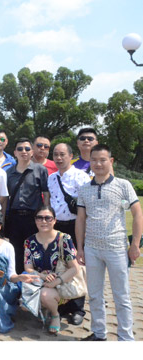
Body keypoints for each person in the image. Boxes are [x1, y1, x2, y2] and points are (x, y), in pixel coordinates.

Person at [76, 144, 142, 341]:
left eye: (102, 160)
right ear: (90, 162)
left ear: (111, 161)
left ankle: (125, 338)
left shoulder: (123, 185)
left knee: (122, 296)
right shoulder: (84, 189)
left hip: (117, 249)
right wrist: (80, 248)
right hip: (91, 248)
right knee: (95, 295)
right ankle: (99, 333)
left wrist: (135, 244)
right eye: (94, 160)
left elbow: (138, 215)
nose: (98, 164)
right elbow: (81, 219)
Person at [48, 143, 90, 325]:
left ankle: (78, 308)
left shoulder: (81, 177)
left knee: (77, 266)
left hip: (75, 226)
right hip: (57, 226)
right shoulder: (51, 178)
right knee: (60, 266)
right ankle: (63, 304)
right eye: (55, 154)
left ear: (71, 156)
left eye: (62, 154)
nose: (58, 158)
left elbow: (87, 205)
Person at [24, 205, 80, 335]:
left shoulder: (64, 239)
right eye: (39, 218)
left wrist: (56, 281)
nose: (43, 221)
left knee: (45, 295)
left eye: (48, 218)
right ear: (35, 220)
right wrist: (43, 277)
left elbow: (74, 268)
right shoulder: (29, 242)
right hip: (40, 281)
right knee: (24, 302)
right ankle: (45, 307)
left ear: (54, 220)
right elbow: (28, 268)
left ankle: (55, 315)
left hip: (62, 284)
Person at [5, 138, 50, 274]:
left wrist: (46, 215)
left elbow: (46, 193)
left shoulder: (40, 170)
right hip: (14, 217)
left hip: (33, 217)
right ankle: (18, 280)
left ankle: (36, 279)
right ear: (15, 153)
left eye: (27, 149)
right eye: (20, 149)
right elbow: (5, 197)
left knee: (35, 249)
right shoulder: (8, 173)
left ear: (32, 152)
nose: (23, 151)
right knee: (17, 250)